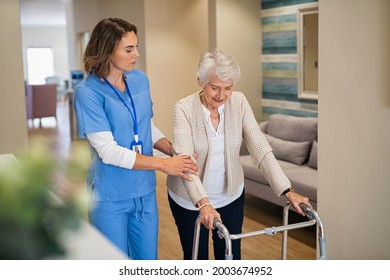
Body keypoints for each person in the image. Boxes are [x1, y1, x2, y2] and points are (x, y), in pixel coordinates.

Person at [166, 49, 311, 260]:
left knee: (231, 257)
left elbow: (260, 148)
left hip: (230, 196)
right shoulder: (184, 109)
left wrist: (288, 190)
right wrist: (204, 203)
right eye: (214, 88)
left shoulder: (239, 102)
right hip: (190, 200)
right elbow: (186, 163)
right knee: (196, 259)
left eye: (228, 88)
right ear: (200, 81)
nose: (222, 95)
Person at [73, 17, 198, 260]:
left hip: (144, 191)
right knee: (115, 263)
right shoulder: (87, 93)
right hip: (109, 196)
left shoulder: (140, 79)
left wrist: (173, 151)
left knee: (147, 262)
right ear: (107, 50)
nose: (136, 54)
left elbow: (145, 126)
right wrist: (164, 164)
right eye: (129, 49)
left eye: (136, 47)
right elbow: (108, 151)